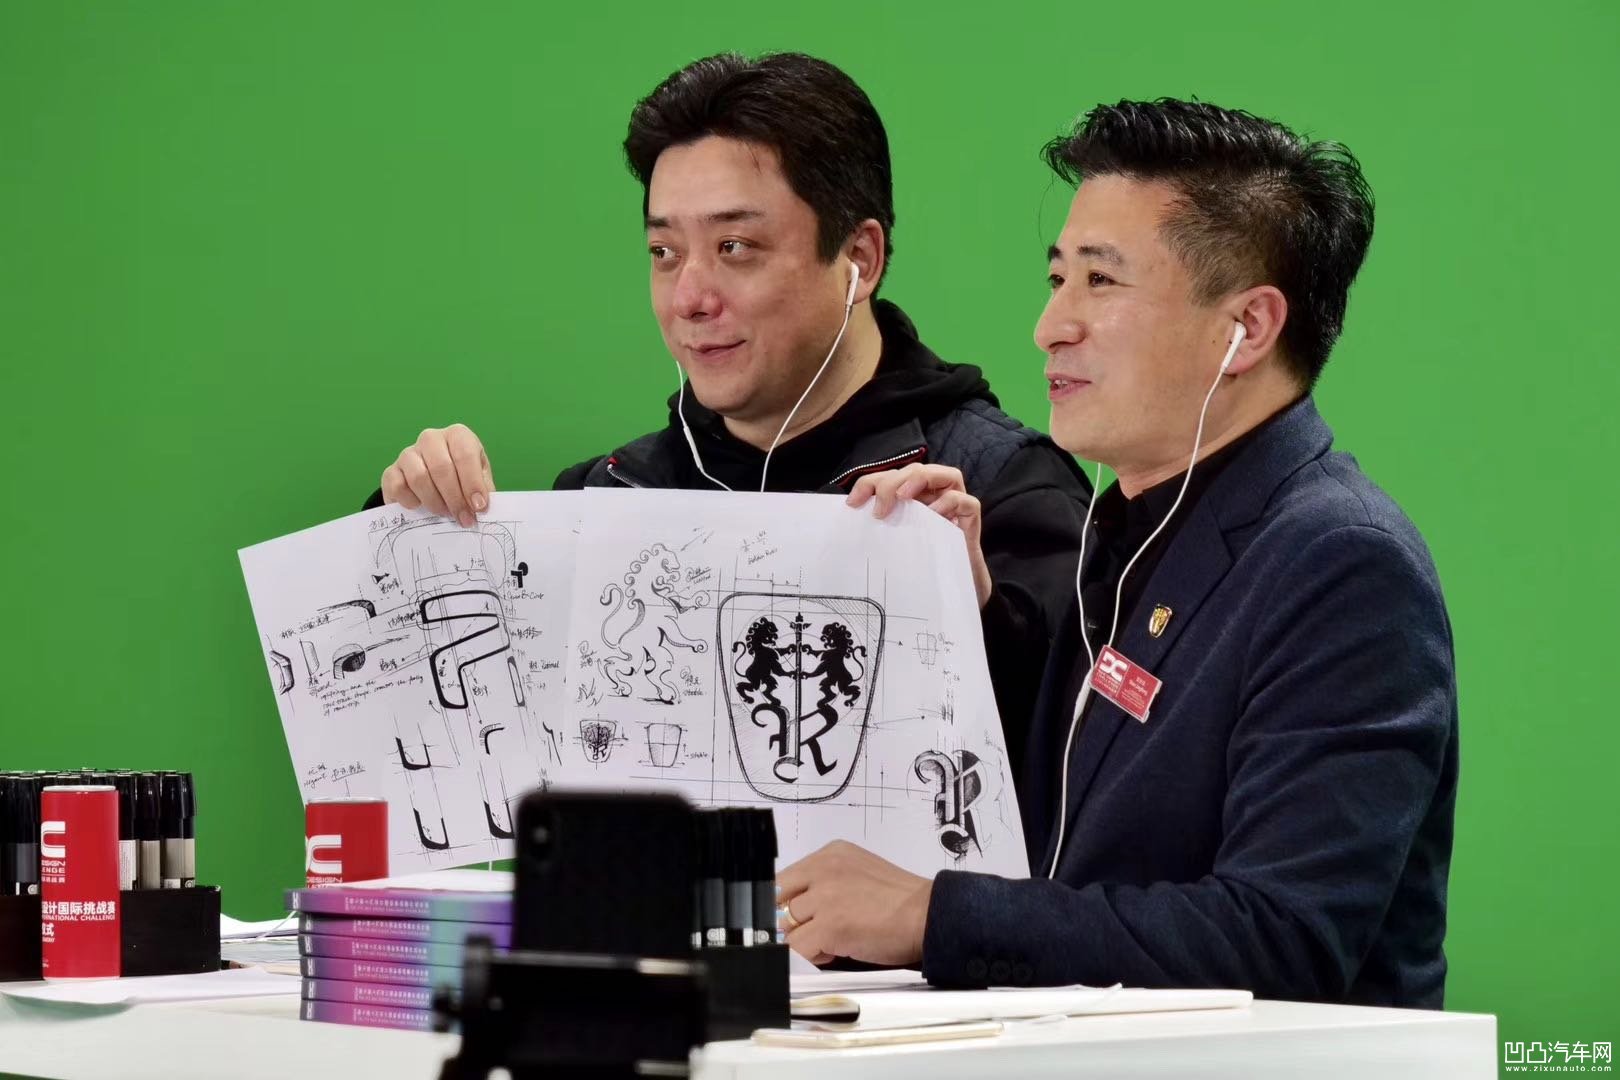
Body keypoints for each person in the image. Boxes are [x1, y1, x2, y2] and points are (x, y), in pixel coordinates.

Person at [781, 99, 1458, 1008]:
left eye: (1101, 282)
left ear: (1248, 328)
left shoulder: (1342, 562)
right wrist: (958, 620)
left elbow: (1285, 935)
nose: (1050, 325)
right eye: (1058, 277)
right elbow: (1076, 829)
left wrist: (931, 917)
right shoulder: (1130, 529)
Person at [367, 52, 1091, 743]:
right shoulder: (606, 501)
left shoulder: (1002, 492)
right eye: (664, 252)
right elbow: (423, 728)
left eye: (734, 247)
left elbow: (1084, 771)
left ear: (859, 259)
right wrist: (410, 533)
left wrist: (978, 614)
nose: (689, 297)